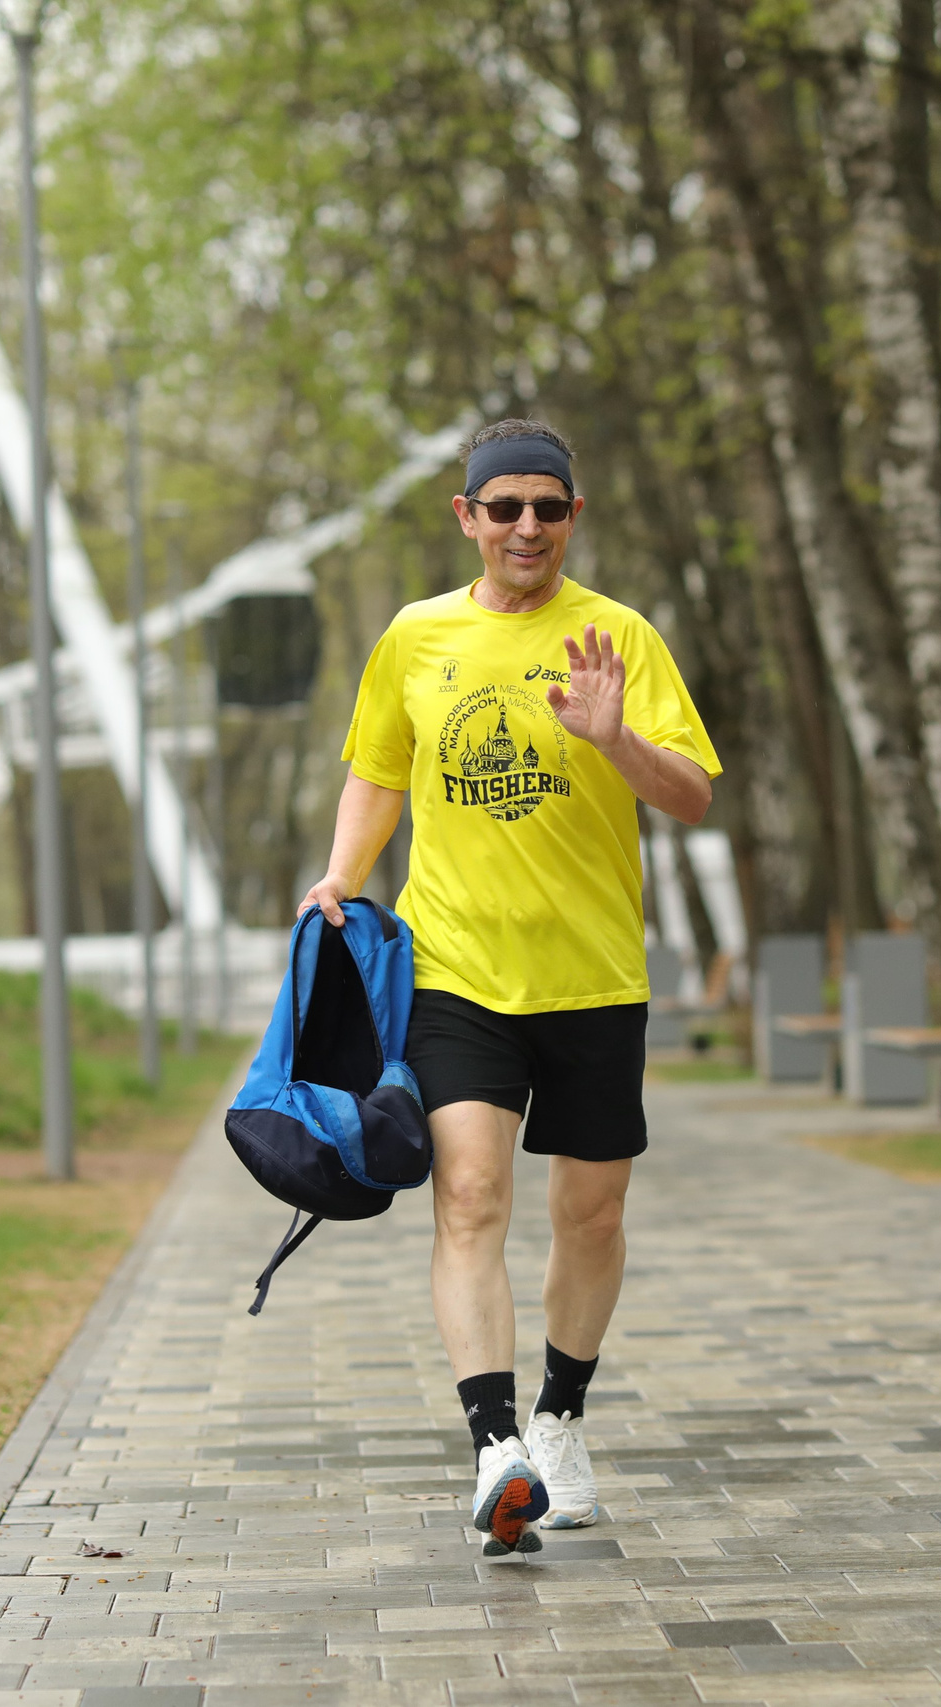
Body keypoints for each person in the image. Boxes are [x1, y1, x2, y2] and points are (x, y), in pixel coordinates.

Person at [300, 419, 720, 1556]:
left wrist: (615, 738)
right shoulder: (414, 637)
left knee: (591, 1213)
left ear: (573, 517)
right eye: (504, 508)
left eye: (548, 507)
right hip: (455, 972)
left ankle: (561, 1417)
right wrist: (341, 874)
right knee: (471, 1193)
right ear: (467, 517)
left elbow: (689, 796)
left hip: (591, 976)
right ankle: (494, 1447)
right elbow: (376, 773)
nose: (525, 526)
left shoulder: (617, 635)